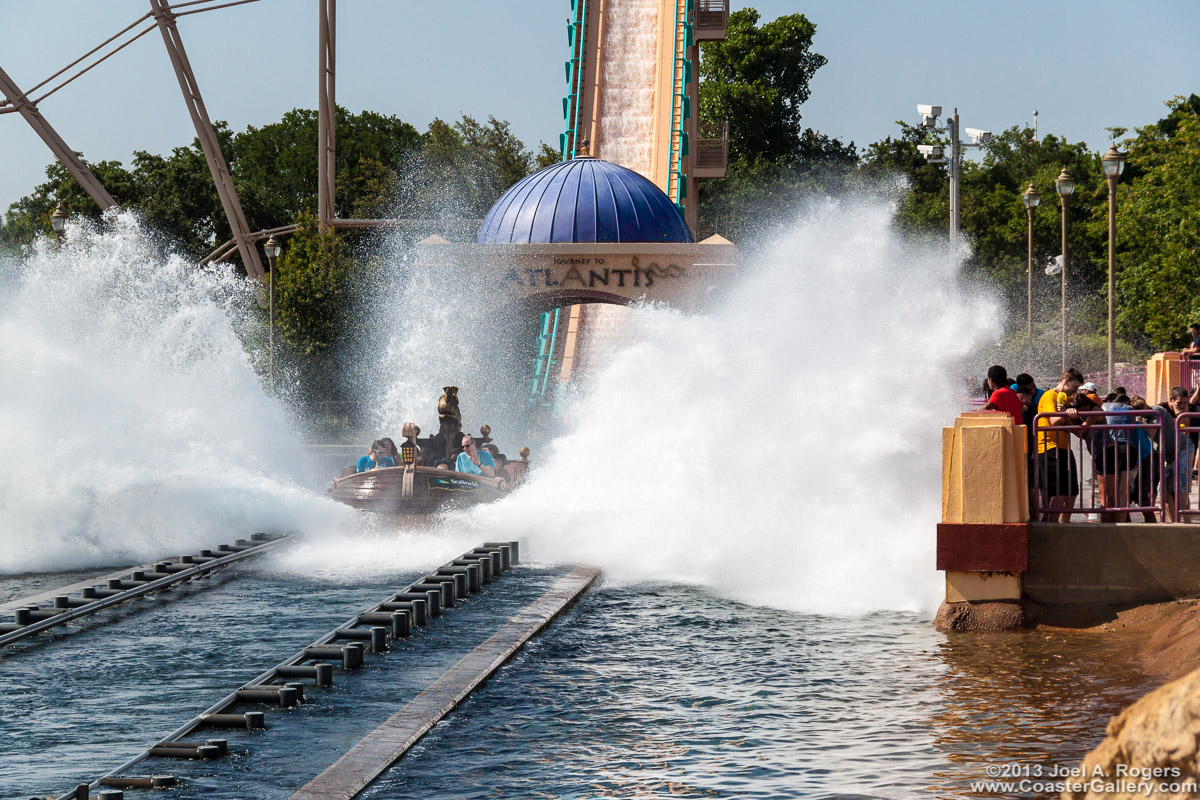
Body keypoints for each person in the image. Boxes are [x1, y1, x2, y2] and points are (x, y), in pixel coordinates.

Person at [1035, 369, 1084, 522]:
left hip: (1063, 448)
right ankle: (1050, 523)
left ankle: (1063, 522)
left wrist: (1068, 417)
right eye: (1074, 387)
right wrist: (1064, 413)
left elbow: (1080, 432)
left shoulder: (1067, 400)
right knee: (1057, 491)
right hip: (1049, 447)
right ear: (1065, 381)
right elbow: (1054, 421)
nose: (1074, 391)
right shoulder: (1050, 395)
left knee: (1071, 490)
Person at [1156, 387, 1199, 522]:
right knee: (1166, 489)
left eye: (1185, 403)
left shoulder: (1186, 409)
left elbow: (1183, 429)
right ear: (1171, 399)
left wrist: (1181, 415)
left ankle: (1186, 523)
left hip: (1184, 448)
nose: (1182, 406)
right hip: (1166, 451)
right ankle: (1173, 522)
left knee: (1182, 487)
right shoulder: (1161, 409)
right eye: (1179, 403)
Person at [1096, 393, 1135, 522]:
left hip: (1111, 447)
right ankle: (1121, 520)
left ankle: (1108, 522)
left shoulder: (1105, 406)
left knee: (1109, 490)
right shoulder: (1130, 409)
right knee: (1123, 489)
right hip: (1128, 446)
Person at [1128, 396, 1159, 523]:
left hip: (1145, 459)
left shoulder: (1134, 424)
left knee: (1140, 495)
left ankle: (1151, 524)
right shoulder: (1134, 424)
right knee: (1131, 495)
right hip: (1143, 458)